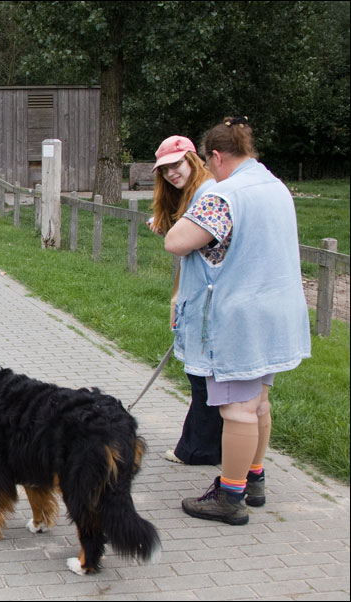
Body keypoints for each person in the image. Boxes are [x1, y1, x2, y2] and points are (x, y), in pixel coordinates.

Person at [165, 117, 311, 525]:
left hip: (239, 316)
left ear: (215, 155)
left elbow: (176, 241)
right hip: (276, 310)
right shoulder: (276, 186)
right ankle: (254, 477)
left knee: (238, 409)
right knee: (259, 402)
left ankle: (230, 495)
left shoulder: (225, 194)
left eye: (210, 165)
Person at [149, 135, 222, 466]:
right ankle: (203, 444)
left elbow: (180, 245)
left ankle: (198, 448)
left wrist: (172, 234)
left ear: (193, 159)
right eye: (164, 170)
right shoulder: (189, 199)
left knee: (204, 378)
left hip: (211, 298)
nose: (171, 174)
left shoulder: (208, 195)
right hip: (196, 294)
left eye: (176, 165)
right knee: (201, 377)